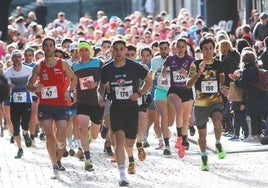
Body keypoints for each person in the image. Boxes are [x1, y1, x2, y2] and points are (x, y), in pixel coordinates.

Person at [98, 39, 152, 186]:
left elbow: (149, 81)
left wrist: (139, 93)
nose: (119, 52)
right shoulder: (107, 69)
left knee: (130, 141)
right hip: (116, 107)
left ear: (125, 51)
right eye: (116, 49)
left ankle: (132, 155)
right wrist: (101, 96)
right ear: (112, 51)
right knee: (119, 139)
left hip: (131, 108)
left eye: (122, 49)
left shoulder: (134, 66)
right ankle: (122, 175)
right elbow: (101, 86)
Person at [26, 37, 77, 179]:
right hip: (46, 106)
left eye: (51, 45)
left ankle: (59, 156)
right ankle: (54, 165)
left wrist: (70, 91)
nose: (48, 48)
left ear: (54, 48)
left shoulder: (63, 64)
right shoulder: (39, 66)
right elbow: (28, 85)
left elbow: (74, 79)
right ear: (43, 48)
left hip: (61, 105)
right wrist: (35, 87)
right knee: (49, 136)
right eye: (46, 46)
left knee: (61, 135)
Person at [186, 36, 227, 171]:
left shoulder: (219, 64)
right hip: (201, 104)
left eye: (210, 48)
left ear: (214, 50)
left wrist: (222, 87)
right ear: (201, 50)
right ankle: (204, 157)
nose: (208, 51)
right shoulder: (195, 64)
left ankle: (217, 143)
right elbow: (188, 84)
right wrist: (199, 73)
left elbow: (221, 79)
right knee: (202, 135)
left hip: (215, 101)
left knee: (217, 120)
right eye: (205, 49)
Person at [71, 41, 104, 171]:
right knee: (82, 129)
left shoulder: (98, 62)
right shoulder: (75, 67)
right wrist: (72, 93)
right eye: (81, 50)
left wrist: (97, 86)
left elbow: (105, 80)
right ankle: (88, 159)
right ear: (78, 52)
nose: (83, 53)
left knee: (95, 135)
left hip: (96, 102)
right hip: (82, 102)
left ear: (90, 50)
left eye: (85, 50)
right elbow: (72, 83)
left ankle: (91, 135)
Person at [162, 38, 194, 158]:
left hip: (187, 90)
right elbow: (164, 69)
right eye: (178, 47)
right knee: (179, 110)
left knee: (186, 119)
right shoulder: (171, 59)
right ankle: (179, 137)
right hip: (174, 90)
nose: (180, 49)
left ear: (186, 48)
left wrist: (186, 73)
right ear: (175, 47)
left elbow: (195, 75)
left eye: (182, 47)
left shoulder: (191, 60)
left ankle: (183, 144)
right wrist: (164, 76)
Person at [230, 48, 268, 142]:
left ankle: (254, 135)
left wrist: (236, 79)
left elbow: (242, 84)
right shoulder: (256, 68)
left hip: (252, 96)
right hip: (261, 94)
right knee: (258, 116)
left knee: (253, 115)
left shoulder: (247, 70)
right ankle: (259, 134)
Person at [4, 50, 33, 158]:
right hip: (14, 103)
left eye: (19, 57)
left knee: (25, 124)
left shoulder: (29, 70)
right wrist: (8, 87)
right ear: (11, 59)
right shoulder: (7, 73)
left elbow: (34, 82)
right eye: (14, 57)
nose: (17, 59)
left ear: (22, 58)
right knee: (15, 127)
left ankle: (25, 133)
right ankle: (20, 149)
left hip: (27, 102)